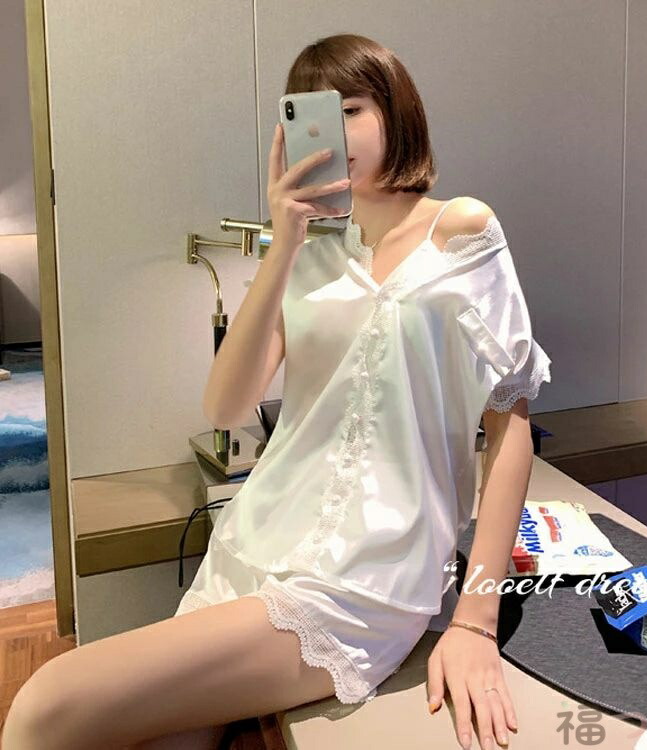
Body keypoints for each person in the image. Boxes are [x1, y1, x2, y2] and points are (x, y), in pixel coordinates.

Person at [2, 33, 550, 750]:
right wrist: (284, 240)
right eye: (314, 116)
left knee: (45, 704)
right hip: (254, 542)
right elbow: (226, 407)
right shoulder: (310, 254)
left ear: (396, 111)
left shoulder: (463, 231)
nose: (335, 134)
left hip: (366, 576)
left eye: (352, 110)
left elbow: (510, 426)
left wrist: (475, 620)